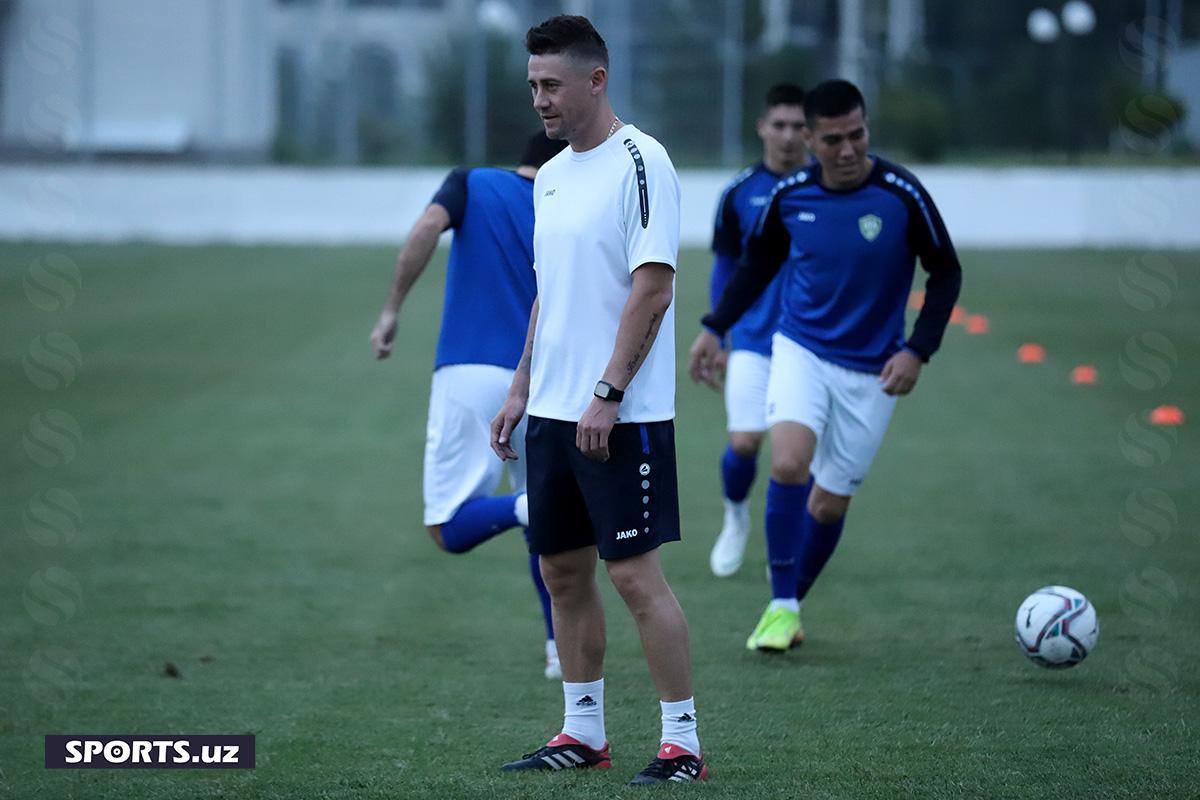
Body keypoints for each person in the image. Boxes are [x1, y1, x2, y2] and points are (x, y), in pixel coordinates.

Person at [490, 14, 707, 786]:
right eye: (533, 86)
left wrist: (608, 395)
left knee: (635, 577)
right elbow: (550, 293)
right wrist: (521, 385)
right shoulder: (549, 174)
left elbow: (652, 289)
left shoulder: (643, 162)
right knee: (563, 575)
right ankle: (583, 733)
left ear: (596, 79)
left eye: (551, 84)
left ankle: (682, 743)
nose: (540, 100)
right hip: (551, 413)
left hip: (622, 416)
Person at [689, 79, 963, 652]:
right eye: (833, 139)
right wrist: (716, 326)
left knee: (829, 502)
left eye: (857, 135)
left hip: (875, 370)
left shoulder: (901, 192)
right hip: (801, 349)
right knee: (788, 462)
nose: (848, 150)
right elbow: (756, 267)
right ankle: (783, 605)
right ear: (811, 140)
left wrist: (918, 349)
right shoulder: (790, 196)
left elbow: (945, 272)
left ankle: (785, 601)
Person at [369, 131, 567, 678]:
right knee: (545, 531)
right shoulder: (566, 204)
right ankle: (558, 650)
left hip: (471, 370)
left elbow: (428, 226)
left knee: (448, 526)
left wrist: (391, 310)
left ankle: (531, 507)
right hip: (545, 379)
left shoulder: (472, 183)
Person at [705, 83, 808, 579]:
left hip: (812, 345)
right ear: (762, 127)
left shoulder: (826, 187)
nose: (789, 136)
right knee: (745, 443)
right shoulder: (739, 192)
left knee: (797, 457)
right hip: (752, 338)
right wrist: (719, 335)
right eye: (780, 125)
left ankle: (785, 548)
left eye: (798, 126)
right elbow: (725, 269)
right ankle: (735, 514)